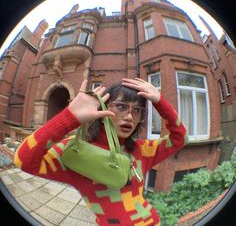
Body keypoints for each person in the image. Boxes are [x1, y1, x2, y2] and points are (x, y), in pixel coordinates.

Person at [14, 78, 188, 226]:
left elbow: (180, 138)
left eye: (137, 111)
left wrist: (160, 101)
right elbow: (24, 160)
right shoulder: (76, 152)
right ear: (103, 109)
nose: (129, 116)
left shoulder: (142, 149)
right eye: (121, 106)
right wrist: (70, 117)